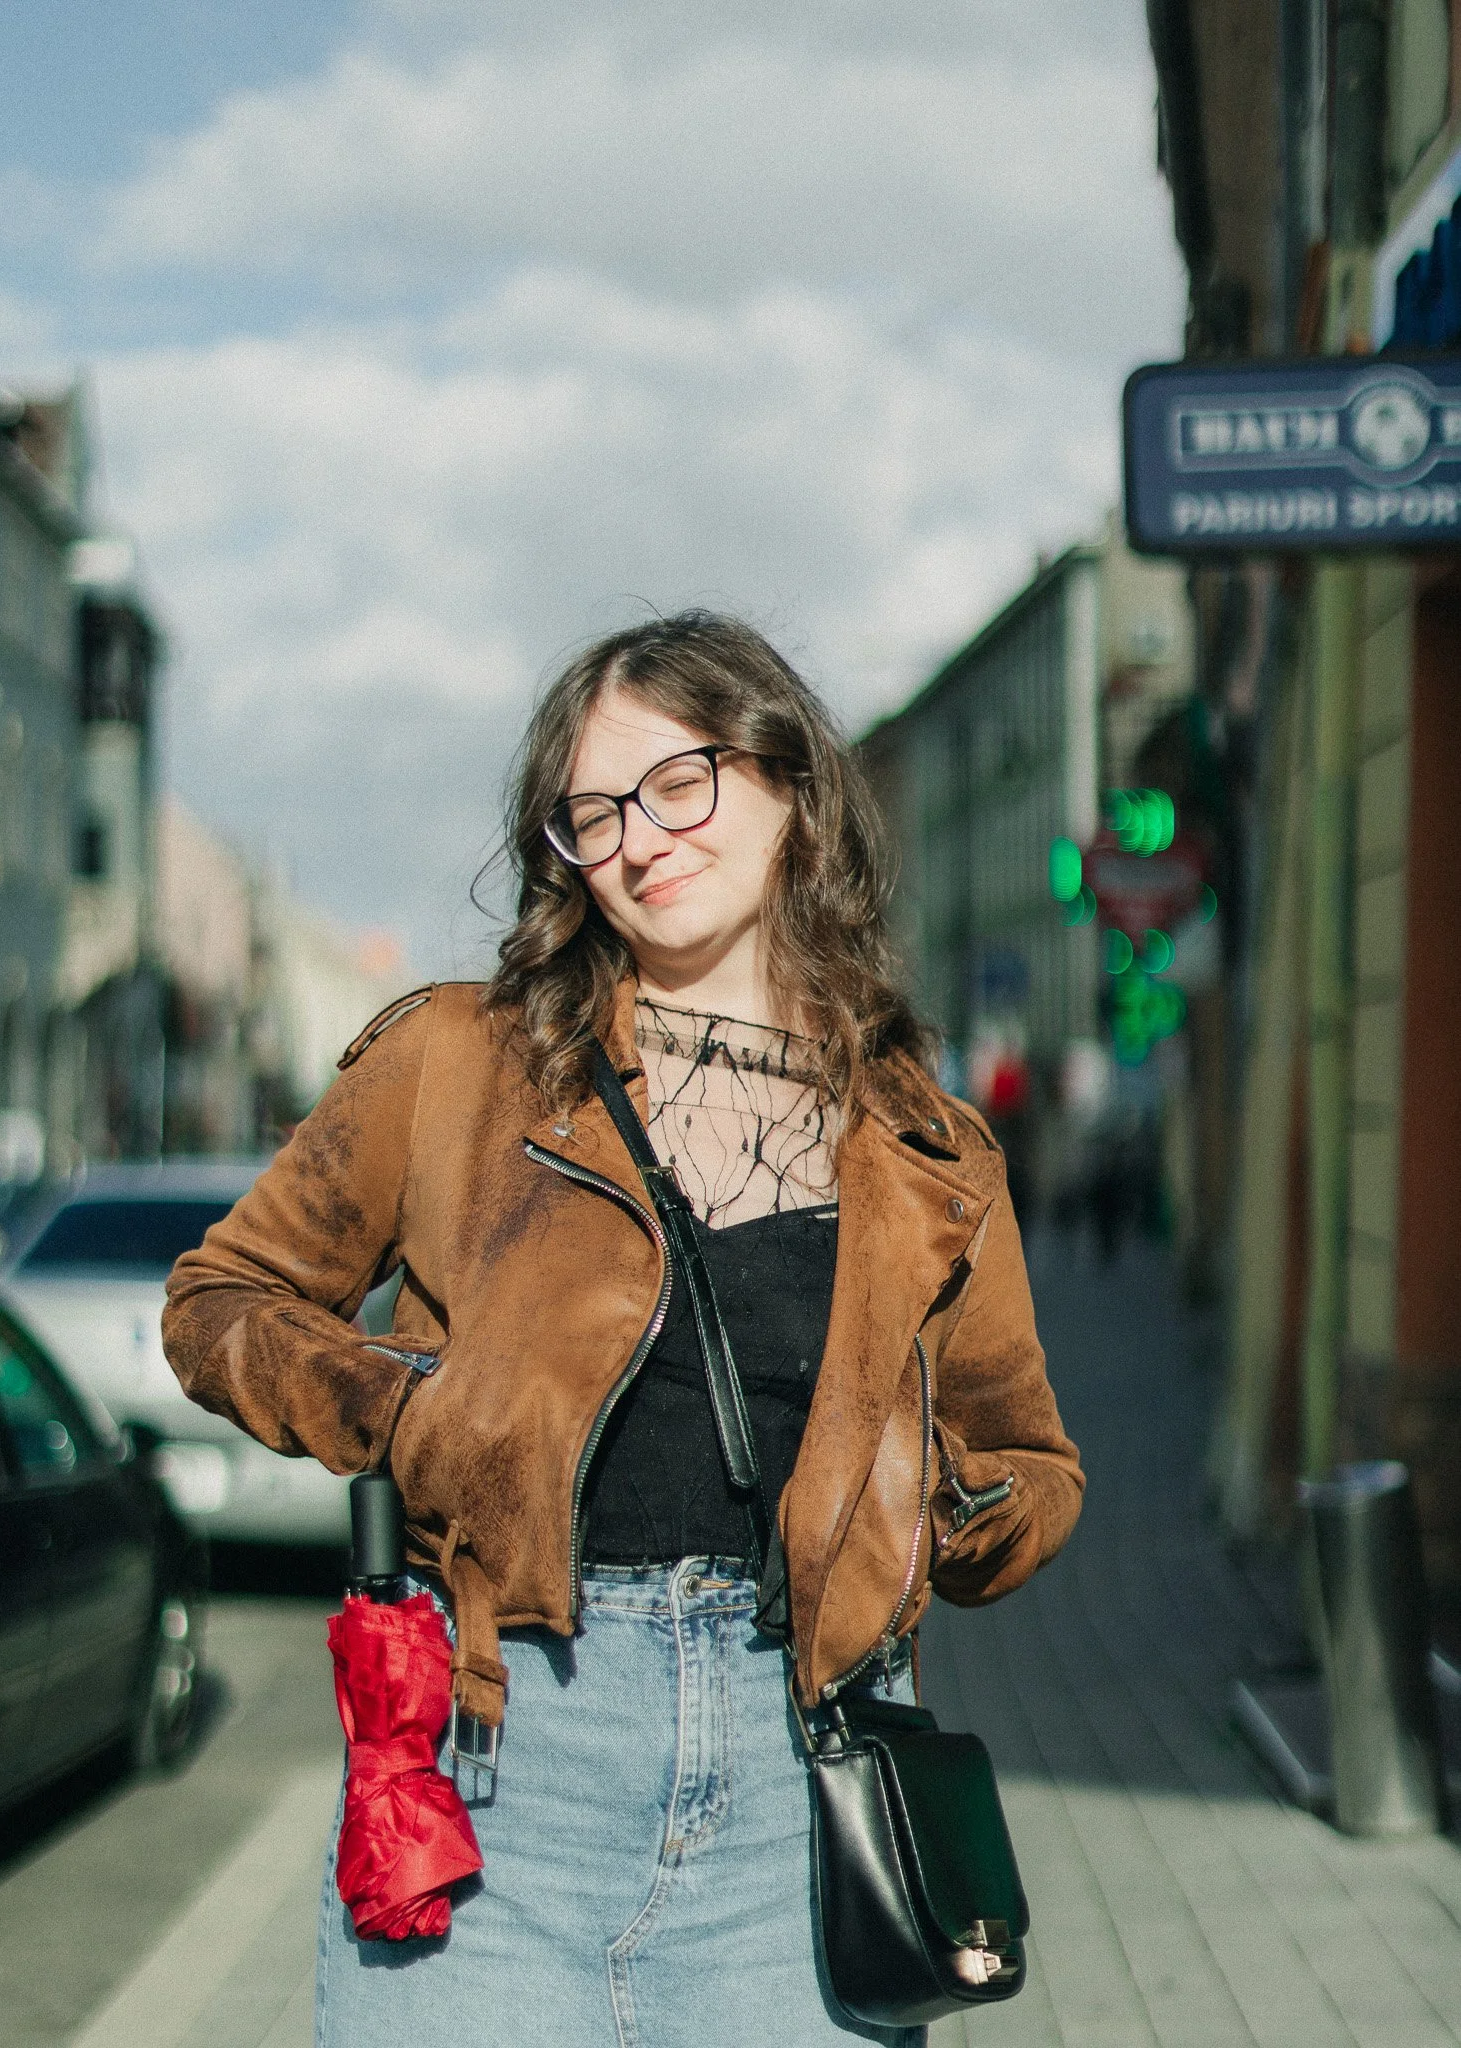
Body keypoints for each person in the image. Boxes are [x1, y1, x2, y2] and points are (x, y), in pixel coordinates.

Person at [162, 612, 1084, 2048]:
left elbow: (1028, 1461)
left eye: (677, 783)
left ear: (788, 783)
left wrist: (943, 1505)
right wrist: (405, 1409)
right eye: (589, 813)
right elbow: (219, 1305)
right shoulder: (456, 1062)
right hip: (498, 1765)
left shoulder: (925, 1148)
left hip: (803, 1786)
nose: (637, 839)